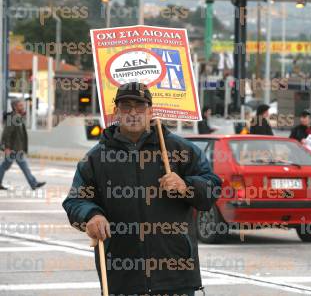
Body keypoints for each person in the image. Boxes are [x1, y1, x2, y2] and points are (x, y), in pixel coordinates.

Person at [62, 82, 221, 296]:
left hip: (176, 276)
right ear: (116, 111)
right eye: (126, 106)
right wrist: (91, 215)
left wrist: (186, 186)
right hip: (122, 277)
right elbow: (75, 200)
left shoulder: (180, 150)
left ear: (151, 110)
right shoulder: (96, 157)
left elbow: (212, 189)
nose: (133, 113)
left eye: (140, 106)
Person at [0, 99, 45, 190]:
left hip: (17, 148)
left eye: (22, 105)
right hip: (13, 149)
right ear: (15, 107)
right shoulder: (11, 118)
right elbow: (6, 134)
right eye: (20, 105)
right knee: (23, 167)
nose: (23, 107)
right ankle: (33, 183)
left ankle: (33, 183)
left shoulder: (18, 117)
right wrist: (7, 148)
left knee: (5, 166)